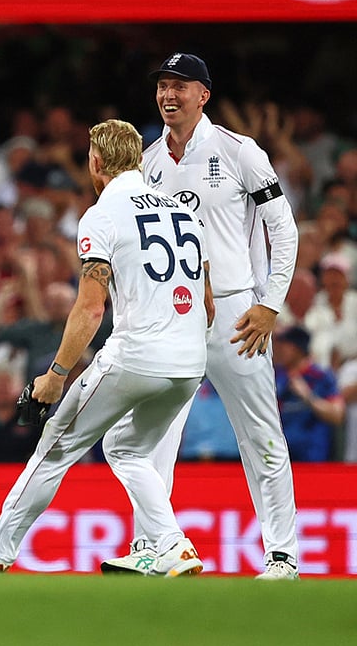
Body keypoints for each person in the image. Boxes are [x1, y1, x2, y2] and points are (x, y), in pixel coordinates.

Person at [0, 118, 212, 576]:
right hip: (190, 362)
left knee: (56, 443)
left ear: (95, 163)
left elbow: (91, 310)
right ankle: (173, 544)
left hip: (136, 354)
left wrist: (54, 376)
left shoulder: (101, 214)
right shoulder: (183, 212)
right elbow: (206, 304)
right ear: (135, 159)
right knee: (127, 449)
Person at [101, 53, 302, 580]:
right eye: (163, 87)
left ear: (203, 95)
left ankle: (282, 554)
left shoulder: (240, 152)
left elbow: (284, 229)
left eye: (179, 87)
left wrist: (269, 303)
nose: (168, 95)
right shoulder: (147, 162)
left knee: (260, 433)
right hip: (177, 311)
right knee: (152, 436)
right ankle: (154, 548)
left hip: (238, 312)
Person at [272, 325, 344, 461]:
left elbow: (337, 415)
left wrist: (308, 396)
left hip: (313, 456)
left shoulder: (321, 376)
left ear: (298, 349)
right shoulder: (276, 375)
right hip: (282, 456)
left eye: (285, 346)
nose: (279, 350)